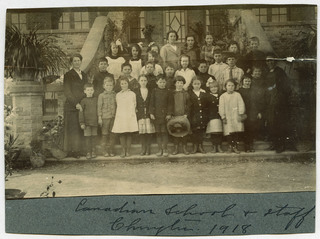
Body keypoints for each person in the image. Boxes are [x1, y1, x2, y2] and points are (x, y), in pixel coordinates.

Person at [264, 54, 292, 153]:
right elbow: (266, 87)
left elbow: (286, 86)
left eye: (271, 60)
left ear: (275, 61)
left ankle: (281, 145)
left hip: (279, 101)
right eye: (267, 61)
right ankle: (275, 143)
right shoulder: (266, 72)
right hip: (270, 100)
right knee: (271, 123)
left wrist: (279, 96)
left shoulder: (279, 71)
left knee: (279, 123)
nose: (269, 62)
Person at [63, 53, 88, 157]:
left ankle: (81, 150)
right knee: (73, 128)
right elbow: (67, 92)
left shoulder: (84, 74)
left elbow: (86, 89)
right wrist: (76, 103)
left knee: (81, 127)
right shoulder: (68, 75)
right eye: (75, 61)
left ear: (81, 61)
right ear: (72, 63)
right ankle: (74, 151)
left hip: (82, 104)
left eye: (78, 60)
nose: (77, 62)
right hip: (72, 106)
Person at [112, 78, 138, 157]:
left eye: (125, 83)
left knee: (129, 132)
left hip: (129, 115)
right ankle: (123, 150)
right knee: (122, 133)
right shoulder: (118, 95)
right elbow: (117, 105)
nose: (124, 85)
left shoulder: (132, 94)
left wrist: (131, 114)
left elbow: (134, 104)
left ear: (128, 84)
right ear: (120, 85)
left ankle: (128, 150)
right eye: (122, 84)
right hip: (121, 115)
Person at [239, 74, 265, 152]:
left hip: (252, 112)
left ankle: (250, 145)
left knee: (251, 129)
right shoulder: (239, 91)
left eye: (249, 81)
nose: (247, 83)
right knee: (245, 129)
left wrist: (259, 112)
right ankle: (246, 146)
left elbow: (258, 102)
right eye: (246, 81)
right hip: (243, 112)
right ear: (242, 82)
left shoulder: (254, 90)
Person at [219, 79, 246, 154]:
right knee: (229, 132)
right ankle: (230, 146)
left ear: (235, 86)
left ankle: (235, 147)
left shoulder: (237, 95)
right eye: (229, 85)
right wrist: (223, 116)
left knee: (236, 131)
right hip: (227, 116)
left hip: (236, 115)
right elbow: (221, 107)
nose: (231, 87)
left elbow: (241, 104)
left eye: (232, 85)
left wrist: (240, 113)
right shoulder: (223, 96)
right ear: (225, 87)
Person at [149, 75, 173, 157]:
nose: (162, 84)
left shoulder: (168, 92)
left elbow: (170, 104)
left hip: (165, 116)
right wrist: (151, 113)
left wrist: (169, 113)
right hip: (156, 115)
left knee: (164, 132)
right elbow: (151, 103)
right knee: (158, 132)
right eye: (160, 82)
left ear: (166, 83)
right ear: (156, 82)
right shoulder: (154, 91)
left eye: (163, 82)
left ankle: (165, 149)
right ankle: (160, 149)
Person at [170, 75, 191, 155]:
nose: (179, 84)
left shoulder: (186, 94)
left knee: (184, 132)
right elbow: (170, 104)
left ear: (183, 84)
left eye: (181, 83)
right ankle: (176, 148)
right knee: (176, 131)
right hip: (174, 116)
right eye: (178, 83)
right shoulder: (172, 93)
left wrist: (186, 114)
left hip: (183, 116)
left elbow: (189, 105)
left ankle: (184, 148)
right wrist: (171, 114)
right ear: (175, 84)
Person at [135, 75, 155, 156]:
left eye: (145, 80)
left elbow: (152, 102)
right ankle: (143, 148)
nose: (143, 82)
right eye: (141, 80)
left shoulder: (150, 91)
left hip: (148, 114)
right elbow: (134, 101)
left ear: (147, 81)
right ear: (139, 82)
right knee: (142, 132)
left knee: (148, 132)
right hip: (140, 114)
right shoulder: (136, 91)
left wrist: (151, 112)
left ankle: (148, 148)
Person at [189, 77, 209, 154]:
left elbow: (206, 105)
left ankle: (200, 146)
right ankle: (195, 146)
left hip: (202, 115)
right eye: (195, 84)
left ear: (201, 84)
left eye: (198, 84)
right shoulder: (190, 93)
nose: (197, 85)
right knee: (195, 130)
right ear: (192, 84)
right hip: (194, 115)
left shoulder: (203, 93)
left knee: (201, 131)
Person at [97, 76, 116, 157]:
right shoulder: (101, 95)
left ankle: (111, 150)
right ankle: (104, 150)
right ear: (104, 86)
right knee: (104, 134)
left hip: (113, 117)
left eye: (110, 85)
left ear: (113, 86)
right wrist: (99, 117)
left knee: (112, 134)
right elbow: (99, 107)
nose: (109, 87)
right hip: (105, 118)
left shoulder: (115, 94)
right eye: (107, 85)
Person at [79, 83, 98, 160]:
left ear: (93, 91)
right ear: (84, 91)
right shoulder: (83, 101)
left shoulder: (96, 99)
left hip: (94, 122)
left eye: (91, 90)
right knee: (87, 138)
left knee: (94, 137)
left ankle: (93, 151)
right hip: (86, 123)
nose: (90, 91)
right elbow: (80, 112)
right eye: (88, 90)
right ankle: (88, 152)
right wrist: (82, 123)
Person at [206, 78, 224, 153]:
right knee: (213, 132)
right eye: (212, 87)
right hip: (212, 116)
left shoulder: (221, 95)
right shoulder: (208, 96)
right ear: (209, 88)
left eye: (215, 87)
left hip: (220, 116)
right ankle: (214, 147)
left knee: (219, 132)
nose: (214, 89)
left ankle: (219, 146)